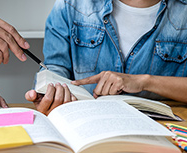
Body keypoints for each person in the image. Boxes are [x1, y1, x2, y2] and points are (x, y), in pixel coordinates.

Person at [25, 0, 187, 115]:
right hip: (86, 121)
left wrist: (144, 81)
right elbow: (55, 68)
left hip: (163, 128)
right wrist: (49, 93)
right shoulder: (70, 5)